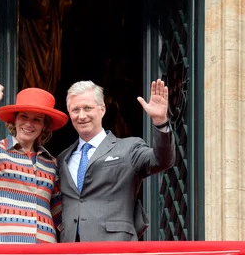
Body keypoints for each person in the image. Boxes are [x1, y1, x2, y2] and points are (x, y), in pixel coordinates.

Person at [57, 79, 176, 242]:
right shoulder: (63, 158)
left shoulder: (129, 148)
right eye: (75, 110)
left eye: (88, 108)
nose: (82, 115)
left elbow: (162, 160)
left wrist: (160, 123)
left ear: (102, 109)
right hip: (70, 251)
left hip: (115, 248)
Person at [0, 82, 68, 244]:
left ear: (44, 126)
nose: (29, 124)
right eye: (24, 116)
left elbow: (59, 212)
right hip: (0, 243)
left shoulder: (51, 162)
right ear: (14, 119)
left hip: (43, 248)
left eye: (36, 120)